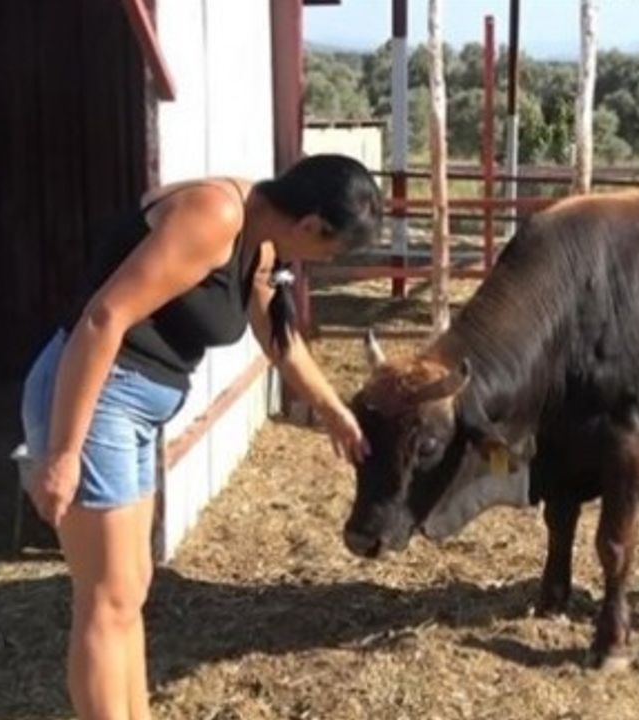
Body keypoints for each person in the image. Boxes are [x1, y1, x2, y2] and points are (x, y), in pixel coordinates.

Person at [20, 153, 382, 720]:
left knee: (130, 587)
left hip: (132, 408)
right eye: (329, 253)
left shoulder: (260, 238)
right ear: (311, 225)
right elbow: (103, 319)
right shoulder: (215, 214)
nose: (319, 264)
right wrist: (64, 454)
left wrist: (333, 409)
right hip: (95, 398)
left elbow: (277, 335)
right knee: (106, 598)